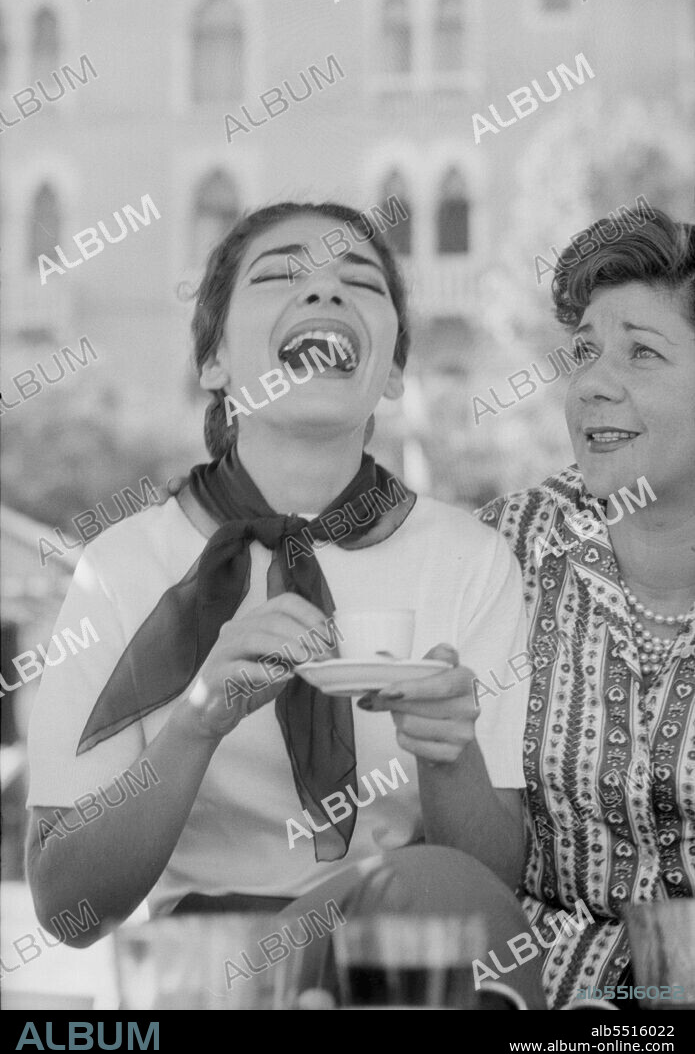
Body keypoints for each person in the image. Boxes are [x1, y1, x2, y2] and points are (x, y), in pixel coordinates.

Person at [25, 201, 529, 945]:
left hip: (396, 957)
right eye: (279, 274)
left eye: (359, 279)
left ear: (391, 372)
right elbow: (67, 908)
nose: (325, 292)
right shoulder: (124, 567)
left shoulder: (470, 560)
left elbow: (491, 897)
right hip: (205, 971)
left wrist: (448, 753)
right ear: (214, 362)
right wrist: (197, 718)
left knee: (433, 890)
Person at [477, 207, 695, 1009]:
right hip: (524, 993)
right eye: (584, 353)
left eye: (641, 351)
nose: (594, 383)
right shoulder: (509, 548)